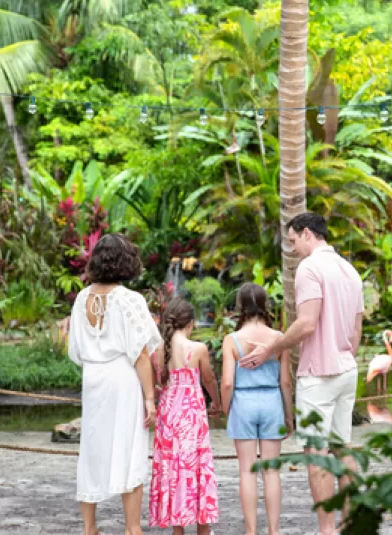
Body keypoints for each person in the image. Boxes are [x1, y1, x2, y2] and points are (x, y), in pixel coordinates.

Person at [240, 212, 364, 535]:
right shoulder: (350, 271)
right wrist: (343, 354)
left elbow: (307, 323)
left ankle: (327, 530)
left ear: (307, 233)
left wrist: (271, 348)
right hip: (347, 369)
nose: (293, 249)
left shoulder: (310, 268)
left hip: (319, 374)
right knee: (343, 448)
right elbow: (356, 330)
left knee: (316, 453)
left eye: (293, 241)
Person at [68, 233, 161, 535]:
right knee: (129, 448)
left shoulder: (82, 298)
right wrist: (149, 398)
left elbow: (75, 351)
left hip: (93, 379)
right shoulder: (129, 300)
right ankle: (133, 528)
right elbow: (142, 354)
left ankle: (89, 527)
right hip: (122, 379)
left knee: (92, 449)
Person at [221, 283, 293, 535]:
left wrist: (226, 409)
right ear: (265, 306)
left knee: (247, 471)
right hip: (271, 401)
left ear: (240, 307)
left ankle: (251, 531)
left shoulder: (231, 340)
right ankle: (274, 530)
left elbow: (228, 382)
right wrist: (289, 415)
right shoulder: (279, 338)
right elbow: (285, 381)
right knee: (272, 472)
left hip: (244, 402)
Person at [149, 297, 220, 534]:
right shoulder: (198, 349)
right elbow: (208, 379)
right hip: (191, 415)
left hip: (168, 415)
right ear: (190, 323)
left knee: (172, 468)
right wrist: (217, 401)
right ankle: (203, 527)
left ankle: (177, 529)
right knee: (196, 466)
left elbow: (156, 384)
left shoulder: (157, 352)